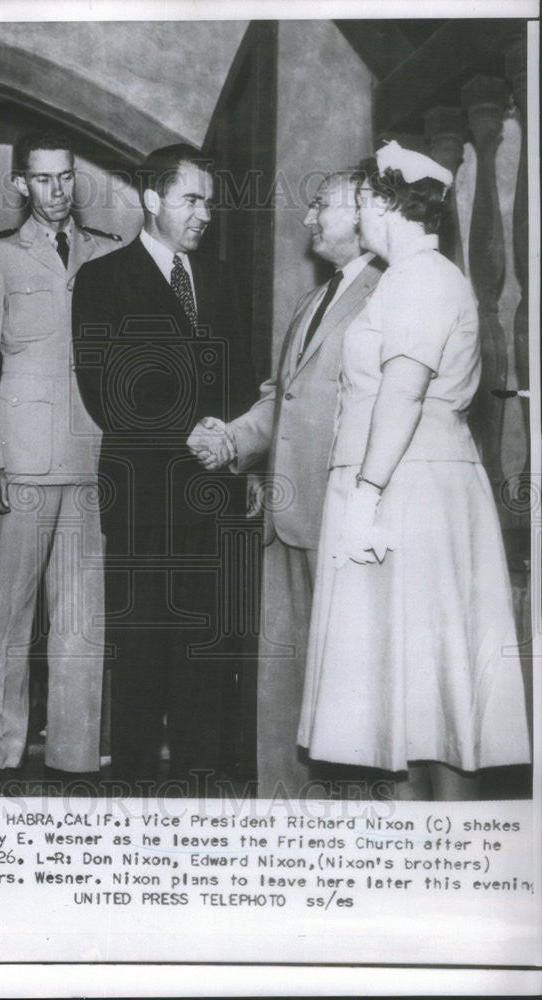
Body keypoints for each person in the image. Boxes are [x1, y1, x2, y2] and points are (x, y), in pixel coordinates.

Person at [297, 141, 531, 800]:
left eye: (363, 197)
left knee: (434, 692)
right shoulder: (405, 279)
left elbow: (402, 392)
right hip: (402, 484)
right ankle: (416, 849)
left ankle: (446, 852)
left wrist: (365, 497)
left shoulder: (424, 278)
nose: (357, 210)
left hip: (410, 490)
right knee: (400, 694)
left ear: (382, 202)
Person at [187, 171, 384, 797]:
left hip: (345, 519)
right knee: (291, 681)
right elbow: (282, 398)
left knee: (350, 688)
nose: (308, 221)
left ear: (361, 211)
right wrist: (232, 438)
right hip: (291, 515)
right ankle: (288, 814)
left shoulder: (390, 292)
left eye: (320, 206)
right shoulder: (313, 301)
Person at [72, 144, 255, 793]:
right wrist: (190, 433)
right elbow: (107, 389)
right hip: (144, 499)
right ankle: (135, 797)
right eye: (191, 199)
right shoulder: (102, 279)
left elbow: (241, 380)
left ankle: (200, 797)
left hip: (214, 498)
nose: (205, 213)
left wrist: (234, 444)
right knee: (143, 657)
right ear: (152, 199)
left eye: (209, 200)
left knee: (205, 657)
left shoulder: (223, 279)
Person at [0, 130, 121, 781]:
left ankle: (74, 753)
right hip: (24, 462)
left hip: (90, 459)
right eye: (42, 179)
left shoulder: (107, 255)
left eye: (65, 177)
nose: (57, 191)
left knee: (81, 620)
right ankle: (1, 750)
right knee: (9, 616)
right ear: (20, 184)